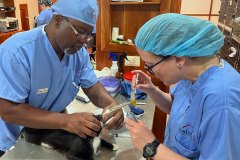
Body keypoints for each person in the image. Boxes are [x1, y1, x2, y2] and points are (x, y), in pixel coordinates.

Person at [0, 0, 123, 156]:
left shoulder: (78, 53)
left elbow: (93, 88)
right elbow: (8, 110)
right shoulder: (16, 52)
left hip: (48, 132)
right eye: (80, 32)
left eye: (89, 34)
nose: (85, 40)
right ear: (58, 20)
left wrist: (112, 105)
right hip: (13, 141)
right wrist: (66, 121)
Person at [125, 13, 240, 160]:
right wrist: (152, 90)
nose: (150, 72)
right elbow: (179, 109)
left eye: (150, 66)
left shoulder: (222, 101)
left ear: (179, 59)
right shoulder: (193, 72)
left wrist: (151, 146)